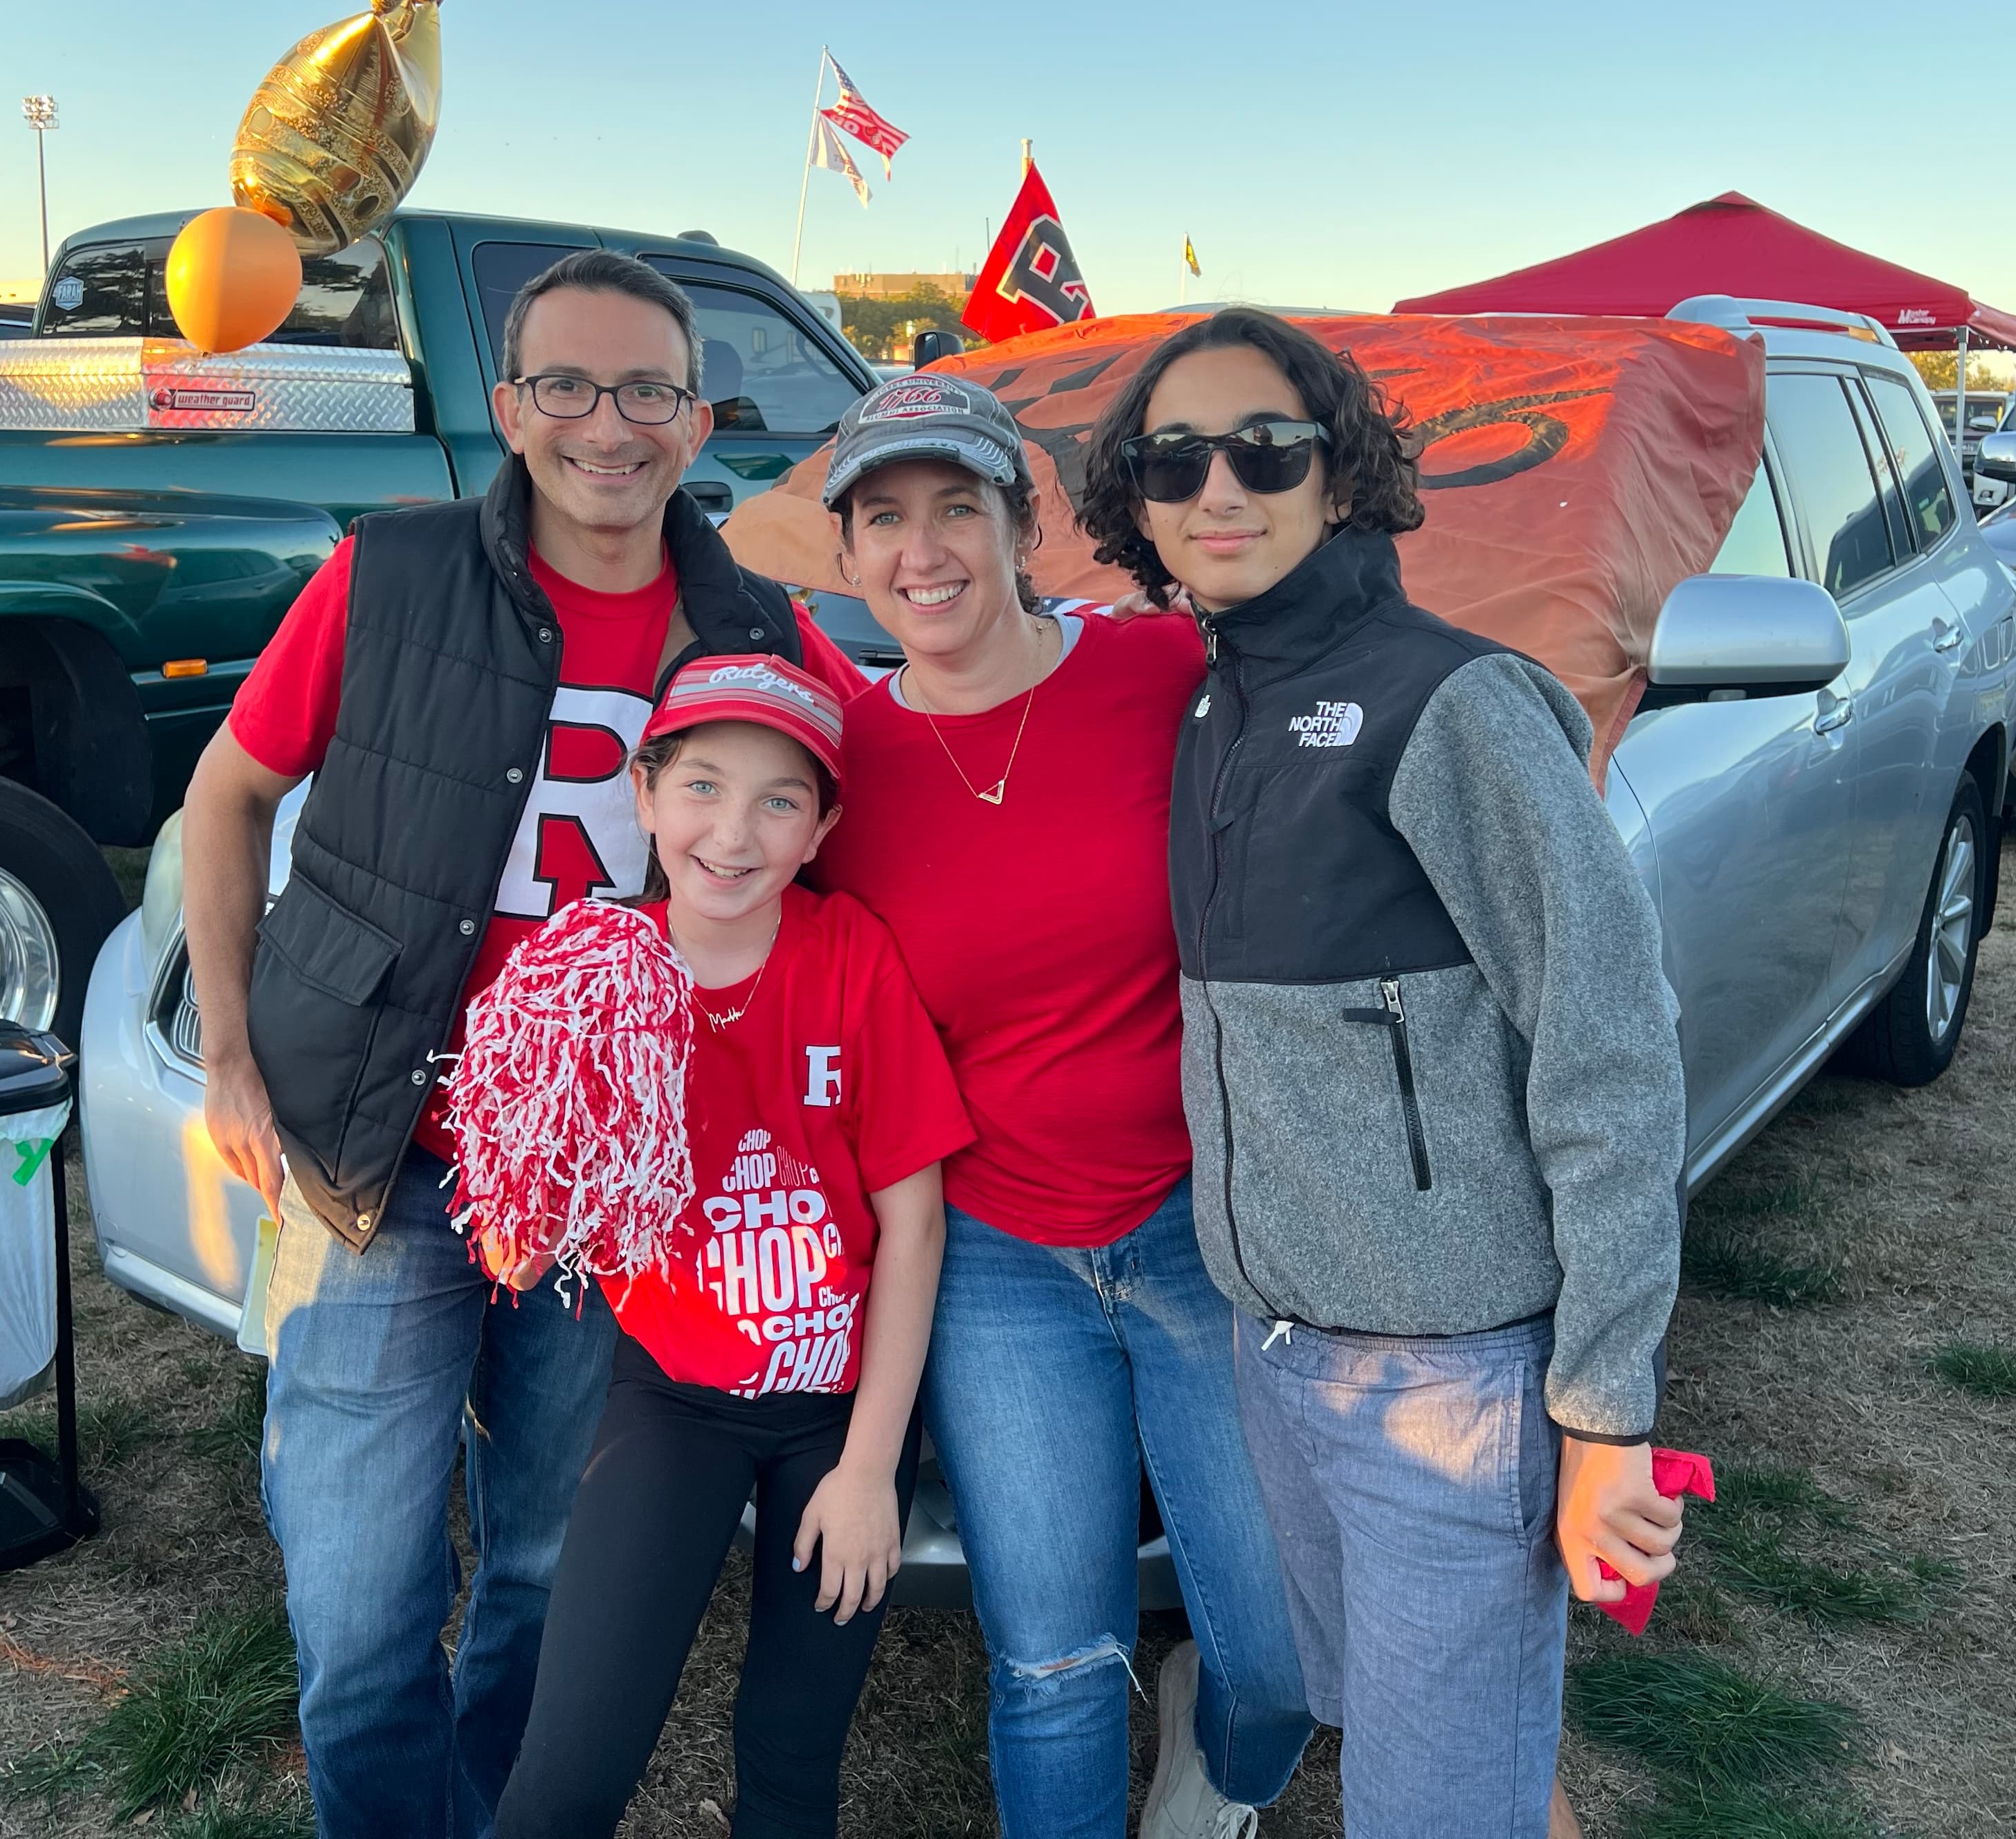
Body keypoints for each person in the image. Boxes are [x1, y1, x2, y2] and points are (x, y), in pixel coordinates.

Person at [179, 251, 867, 1839]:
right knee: (358, 1619)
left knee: (548, 1576)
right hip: (375, 1158)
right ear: (508, 408)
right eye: (565, 385)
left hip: (603, 1204)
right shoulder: (389, 574)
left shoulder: (752, 626)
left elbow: (878, 808)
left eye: (645, 391)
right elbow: (225, 795)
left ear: (698, 420)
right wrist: (226, 1049)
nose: (605, 425)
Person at [1077, 307, 1689, 1839]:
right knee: (1434, 1759)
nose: (1217, 486)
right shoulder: (1212, 693)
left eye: (1262, 450)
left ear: (1336, 475)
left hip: (1447, 1372)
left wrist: (1603, 1408)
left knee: (1432, 1803)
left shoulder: (1453, 705)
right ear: (1134, 499)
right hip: (1277, 1349)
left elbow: (1610, 1051)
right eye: (1173, 458)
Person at [809, 374, 1313, 1839]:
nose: (923, 551)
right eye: (882, 520)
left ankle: (1214, 1760)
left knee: (1280, 1657)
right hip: (990, 1256)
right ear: (843, 557)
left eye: (956, 508)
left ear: (1021, 523)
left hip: (1197, 1231)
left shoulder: (1161, 675)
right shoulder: (836, 770)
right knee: (1051, 1664)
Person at [483, 655, 970, 1838]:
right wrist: (528, 1199)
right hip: (676, 1396)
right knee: (575, 1761)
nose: (733, 833)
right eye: (700, 786)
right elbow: (522, 1227)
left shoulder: (848, 953)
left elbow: (913, 1219)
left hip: (837, 1408)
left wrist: (868, 1469)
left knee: (790, 1753)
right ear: (642, 797)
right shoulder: (595, 974)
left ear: (822, 828)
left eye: (779, 800)